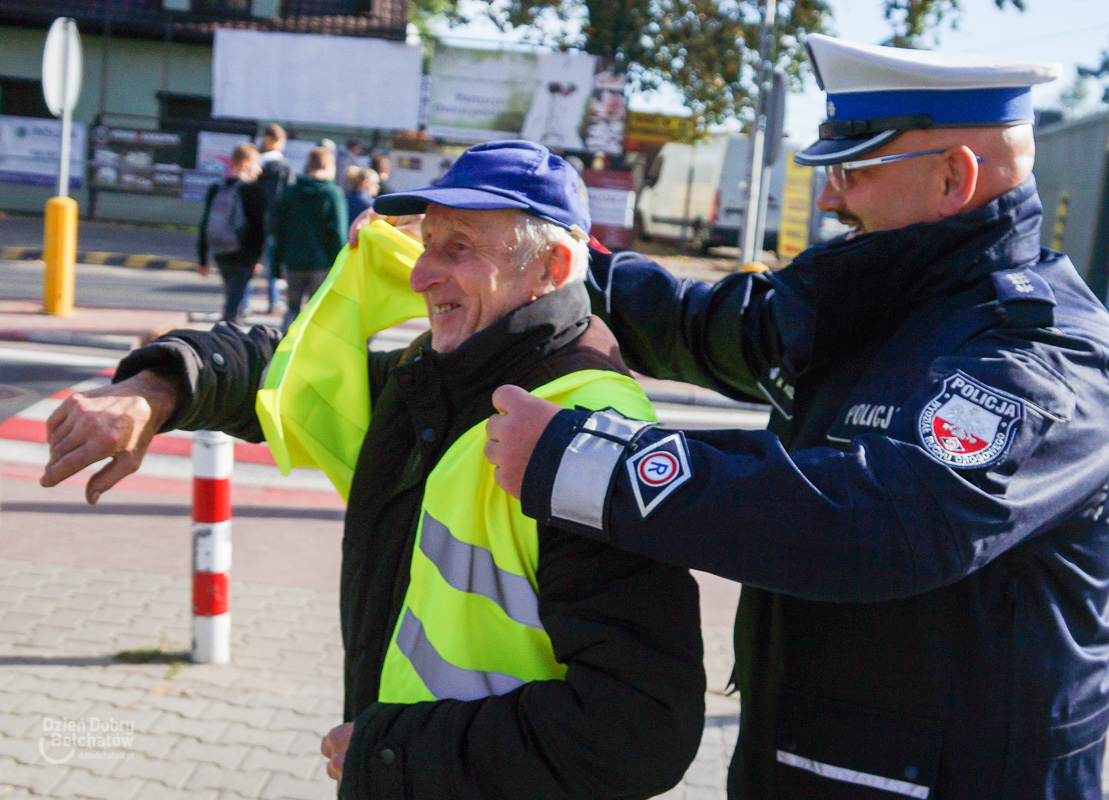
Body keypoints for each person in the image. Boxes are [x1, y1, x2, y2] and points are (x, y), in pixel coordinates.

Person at [483, 35, 1109, 800]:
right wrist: (537, 258)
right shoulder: (885, 290)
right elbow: (715, 327)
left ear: (954, 177)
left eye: (853, 169)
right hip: (808, 761)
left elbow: (874, 522)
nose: (829, 197)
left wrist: (588, 464)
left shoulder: (1041, 351)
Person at [38, 140, 705, 800]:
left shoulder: (592, 433)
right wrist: (155, 389)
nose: (421, 275)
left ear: (551, 266)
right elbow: (286, 375)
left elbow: (640, 730)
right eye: (428, 241)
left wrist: (395, 755)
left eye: (458, 247)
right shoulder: (438, 375)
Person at [272, 146, 348, 333]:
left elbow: (279, 229)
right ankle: (310, 351)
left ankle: (283, 346)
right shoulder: (332, 193)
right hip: (321, 264)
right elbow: (339, 233)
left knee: (292, 309)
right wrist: (341, 265)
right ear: (326, 165)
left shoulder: (290, 192)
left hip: (293, 262)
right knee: (317, 310)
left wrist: (276, 263)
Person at [197, 143, 265, 324]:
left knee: (232, 298)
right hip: (241, 255)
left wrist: (202, 258)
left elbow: (204, 223)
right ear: (245, 164)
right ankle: (227, 336)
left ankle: (229, 330)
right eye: (256, 164)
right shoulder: (252, 190)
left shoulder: (216, 189)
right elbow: (258, 229)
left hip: (219, 251)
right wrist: (255, 258)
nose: (259, 170)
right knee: (234, 306)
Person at [257, 122, 294, 314]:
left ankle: (243, 303)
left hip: (254, 219)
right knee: (273, 263)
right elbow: (286, 196)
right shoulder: (283, 167)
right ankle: (273, 299)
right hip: (274, 221)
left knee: (251, 263)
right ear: (279, 140)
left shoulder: (256, 162)